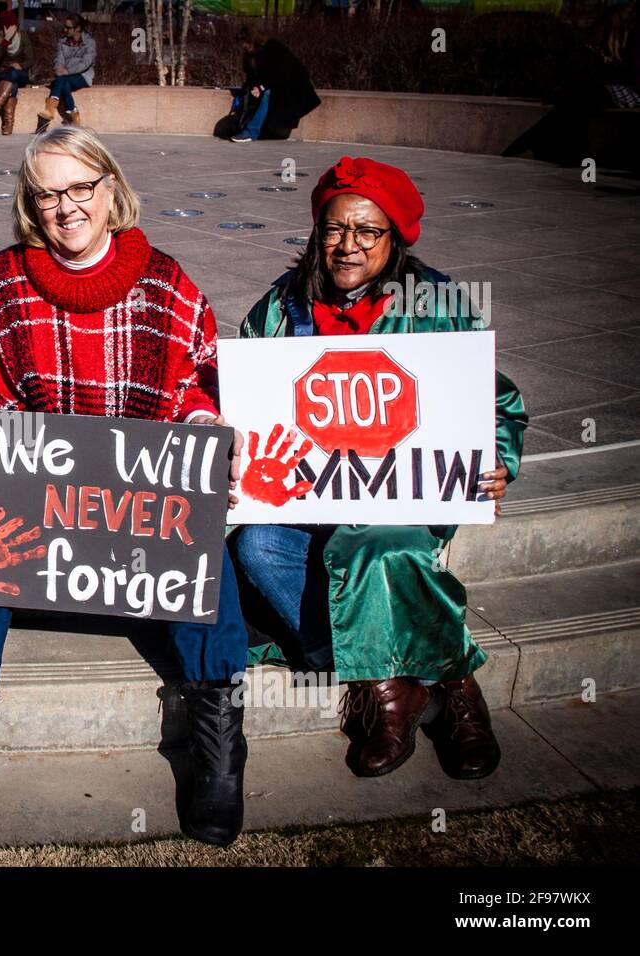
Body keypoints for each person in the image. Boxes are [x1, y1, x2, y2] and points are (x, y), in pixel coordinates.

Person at [0, 126, 251, 851]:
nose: (66, 208)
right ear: (29, 204)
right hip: (36, 510)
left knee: (206, 548)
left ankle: (220, 735)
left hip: (132, 512)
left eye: (81, 189)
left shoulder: (166, 281)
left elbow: (195, 387)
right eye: (47, 194)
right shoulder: (1, 281)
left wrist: (210, 434)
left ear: (111, 192)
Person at [232, 156, 527, 781]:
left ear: (394, 239)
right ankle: (418, 679)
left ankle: (404, 695)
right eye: (335, 229)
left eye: (368, 231)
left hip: (405, 497)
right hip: (307, 498)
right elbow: (245, 408)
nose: (348, 246)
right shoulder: (280, 310)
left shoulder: (440, 304)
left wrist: (497, 460)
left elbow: (496, 402)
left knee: (378, 546)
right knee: (256, 548)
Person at [228, 26, 319, 143]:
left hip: (292, 86)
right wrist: (254, 87)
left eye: (245, 44)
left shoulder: (273, 48)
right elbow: (253, 76)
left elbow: (279, 74)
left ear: (252, 41)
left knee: (267, 94)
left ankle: (252, 132)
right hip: (274, 84)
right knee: (251, 94)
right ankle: (248, 127)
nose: (243, 48)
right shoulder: (250, 56)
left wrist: (261, 87)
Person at [0, 9, 33, 135]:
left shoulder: (23, 36)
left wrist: (21, 65)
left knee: (13, 73)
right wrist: (6, 40)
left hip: (20, 73)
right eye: (9, 26)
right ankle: (8, 125)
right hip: (0, 73)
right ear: (3, 26)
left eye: (14, 26)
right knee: (11, 82)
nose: (13, 29)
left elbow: (31, 59)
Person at [37, 12, 95, 128]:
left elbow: (86, 63)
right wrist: (59, 68)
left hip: (83, 76)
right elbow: (58, 59)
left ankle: (50, 109)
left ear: (77, 28)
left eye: (68, 28)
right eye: (65, 27)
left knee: (61, 80)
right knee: (64, 84)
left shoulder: (89, 42)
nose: (65, 30)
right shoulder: (62, 42)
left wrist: (67, 71)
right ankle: (73, 113)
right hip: (65, 76)